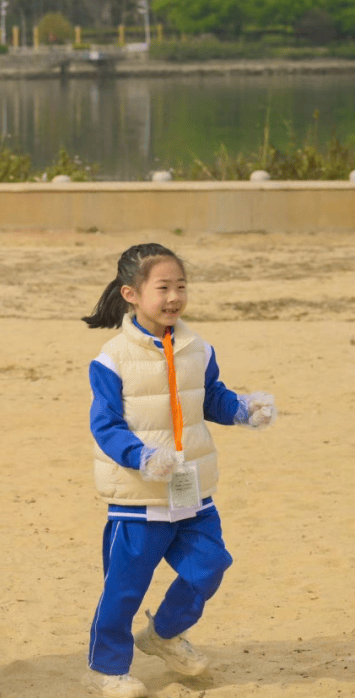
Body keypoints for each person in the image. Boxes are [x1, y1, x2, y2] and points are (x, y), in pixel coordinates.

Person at [79, 243, 277, 698]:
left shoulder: (198, 348)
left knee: (209, 567)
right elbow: (105, 426)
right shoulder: (111, 359)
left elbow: (211, 399)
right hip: (138, 496)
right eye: (163, 288)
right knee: (124, 590)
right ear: (131, 293)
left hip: (192, 491)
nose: (174, 298)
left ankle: (163, 635)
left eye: (181, 287)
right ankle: (104, 669)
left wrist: (244, 409)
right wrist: (142, 457)